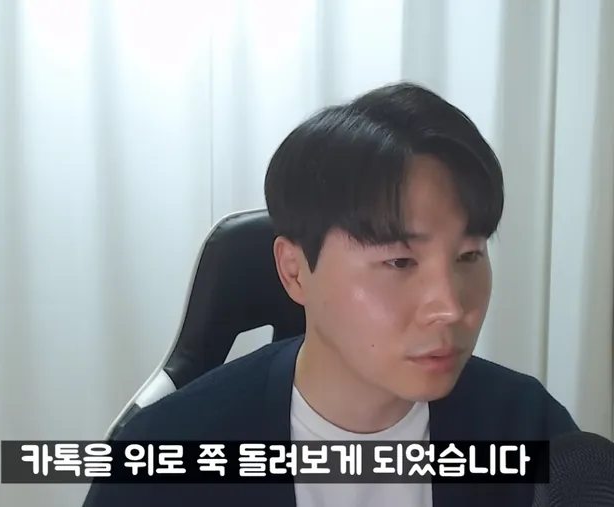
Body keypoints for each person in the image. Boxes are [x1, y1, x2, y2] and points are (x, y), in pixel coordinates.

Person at [83, 82, 578, 507]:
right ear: (295, 271)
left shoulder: (528, 429)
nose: (450, 306)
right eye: (400, 262)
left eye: (469, 256)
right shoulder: (166, 459)